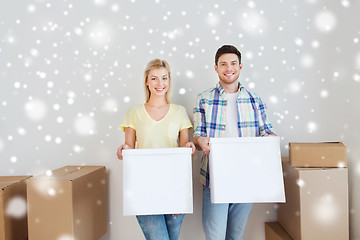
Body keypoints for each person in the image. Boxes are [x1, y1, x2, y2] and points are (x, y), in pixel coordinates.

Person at [193, 45, 276, 240]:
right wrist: (200, 141)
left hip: (245, 177)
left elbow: (266, 131)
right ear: (216, 68)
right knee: (215, 236)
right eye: (223, 64)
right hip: (214, 177)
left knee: (235, 236)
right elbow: (198, 135)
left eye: (233, 63)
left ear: (240, 66)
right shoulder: (203, 99)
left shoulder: (255, 99)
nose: (228, 68)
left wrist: (270, 139)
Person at [117, 59, 195, 240]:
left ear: (169, 81)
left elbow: (184, 146)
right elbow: (128, 146)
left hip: (174, 185)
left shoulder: (179, 111)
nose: (160, 84)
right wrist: (123, 150)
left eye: (164, 78)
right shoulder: (134, 112)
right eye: (154, 79)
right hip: (144, 185)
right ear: (146, 81)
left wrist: (189, 147)